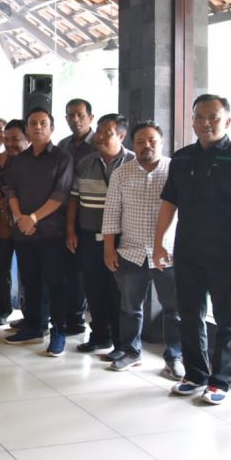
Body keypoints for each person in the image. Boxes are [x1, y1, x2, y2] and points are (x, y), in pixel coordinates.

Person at [154, 94, 231, 405]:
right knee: (189, 315)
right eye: (199, 117)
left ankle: (221, 381)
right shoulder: (183, 157)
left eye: (213, 117)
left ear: (226, 121)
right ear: (191, 120)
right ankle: (195, 374)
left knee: (228, 319)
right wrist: (160, 241)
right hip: (187, 250)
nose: (205, 123)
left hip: (227, 252)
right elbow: (169, 202)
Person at [101, 121, 182, 378]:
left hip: (167, 253)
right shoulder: (121, 174)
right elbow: (112, 213)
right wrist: (109, 249)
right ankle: (131, 352)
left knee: (174, 309)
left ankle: (174, 357)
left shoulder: (175, 170)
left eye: (152, 140)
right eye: (140, 141)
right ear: (131, 144)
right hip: (131, 252)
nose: (146, 145)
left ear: (161, 141)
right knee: (129, 307)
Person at [3, 108, 74, 356]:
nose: (38, 127)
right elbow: (11, 191)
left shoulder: (62, 158)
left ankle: (59, 331)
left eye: (43, 123)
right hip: (24, 233)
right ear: (27, 129)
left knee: (56, 284)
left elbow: (60, 194)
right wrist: (19, 217)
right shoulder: (20, 160)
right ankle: (34, 326)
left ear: (52, 128)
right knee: (30, 282)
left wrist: (33, 218)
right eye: (33, 123)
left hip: (51, 233)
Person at [66, 114, 132, 353]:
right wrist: (71, 230)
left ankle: (121, 342)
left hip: (122, 239)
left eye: (108, 133)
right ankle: (99, 335)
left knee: (117, 292)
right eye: (100, 131)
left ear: (122, 136)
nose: (101, 136)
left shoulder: (132, 164)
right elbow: (74, 199)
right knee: (93, 288)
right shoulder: (86, 162)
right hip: (88, 236)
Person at [58, 97, 96, 337]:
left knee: (90, 275)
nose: (76, 120)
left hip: (93, 218)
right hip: (65, 218)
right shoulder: (63, 145)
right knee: (69, 273)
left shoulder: (99, 144)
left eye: (80, 115)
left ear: (90, 117)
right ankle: (72, 320)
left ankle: (95, 326)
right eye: (71, 115)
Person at [0, 119, 28, 326]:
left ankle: (29, 314)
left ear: (27, 138)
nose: (10, 144)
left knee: (28, 272)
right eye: (7, 139)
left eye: (15, 139)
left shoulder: (34, 162)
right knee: (0, 269)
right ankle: (1, 310)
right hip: (3, 225)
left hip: (28, 225)